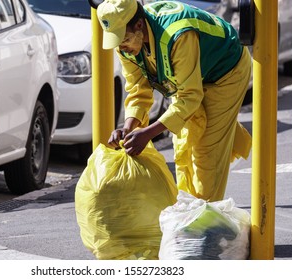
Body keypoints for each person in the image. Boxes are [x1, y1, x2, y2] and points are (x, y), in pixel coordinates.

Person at [96, 0, 252, 202]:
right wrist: (128, 128)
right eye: (116, 41)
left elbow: (190, 97)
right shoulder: (126, 45)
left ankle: (204, 224)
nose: (121, 47)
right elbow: (138, 90)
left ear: (139, 25)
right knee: (184, 148)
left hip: (226, 73)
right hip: (189, 80)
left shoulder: (178, 36)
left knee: (206, 155)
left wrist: (148, 133)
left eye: (123, 39)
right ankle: (187, 210)